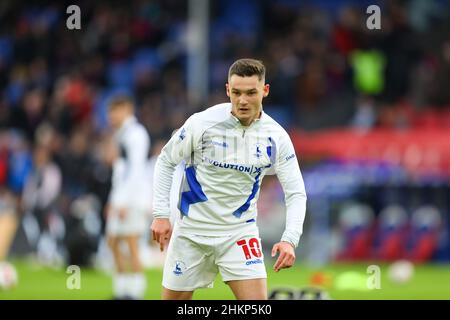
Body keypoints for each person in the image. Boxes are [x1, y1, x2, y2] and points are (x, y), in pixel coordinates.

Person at [151, 58, 307, 300]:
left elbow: (295, 191)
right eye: (236, 92)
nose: (242, 100)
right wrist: (161, 214)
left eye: (251, 93)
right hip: (191, 233)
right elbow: (166, 160)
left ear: (265, 91)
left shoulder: (276, 137)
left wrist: (290, 239)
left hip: (239, 233)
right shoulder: (201, 123)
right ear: (227, 90)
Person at [105, 95, 151, 300]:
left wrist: (123, 202)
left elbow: (135, 170)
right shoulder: (121, 135)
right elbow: (120, 171)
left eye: (114, 111)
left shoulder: (136, 134)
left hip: (133, 199)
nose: (111, 116)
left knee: (131, 242)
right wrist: (113, 200)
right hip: (121, 198)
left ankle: (135, 292)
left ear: (126, 110)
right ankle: (122, 290)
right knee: (113, 241)